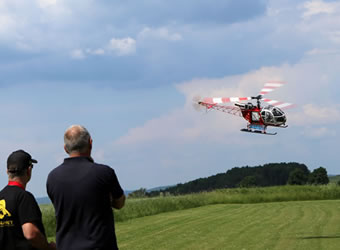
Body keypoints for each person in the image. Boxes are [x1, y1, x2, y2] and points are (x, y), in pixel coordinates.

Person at [47, 125, 125, 250]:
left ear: (66, 149)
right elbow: (120, 203)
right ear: (90, 143)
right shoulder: (104, 173)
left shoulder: (52, 177)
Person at [0, 150, 56, 250]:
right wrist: (47, 247)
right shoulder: (24, 197)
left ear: (7, 171)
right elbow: (31, 233)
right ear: (28, 170)